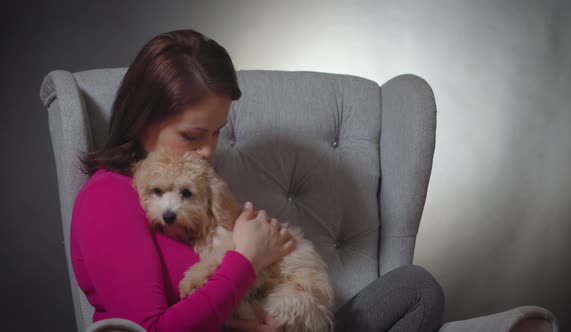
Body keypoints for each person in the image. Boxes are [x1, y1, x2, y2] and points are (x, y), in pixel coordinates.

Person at [71, 29, 445, 332]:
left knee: (415, 290)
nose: (207, 151)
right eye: (192, 135)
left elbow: (221, 297)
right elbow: (152, 329)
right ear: (142, 118)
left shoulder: (201, 187)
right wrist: (247, 257)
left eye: (217, 133)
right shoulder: (108, 198)